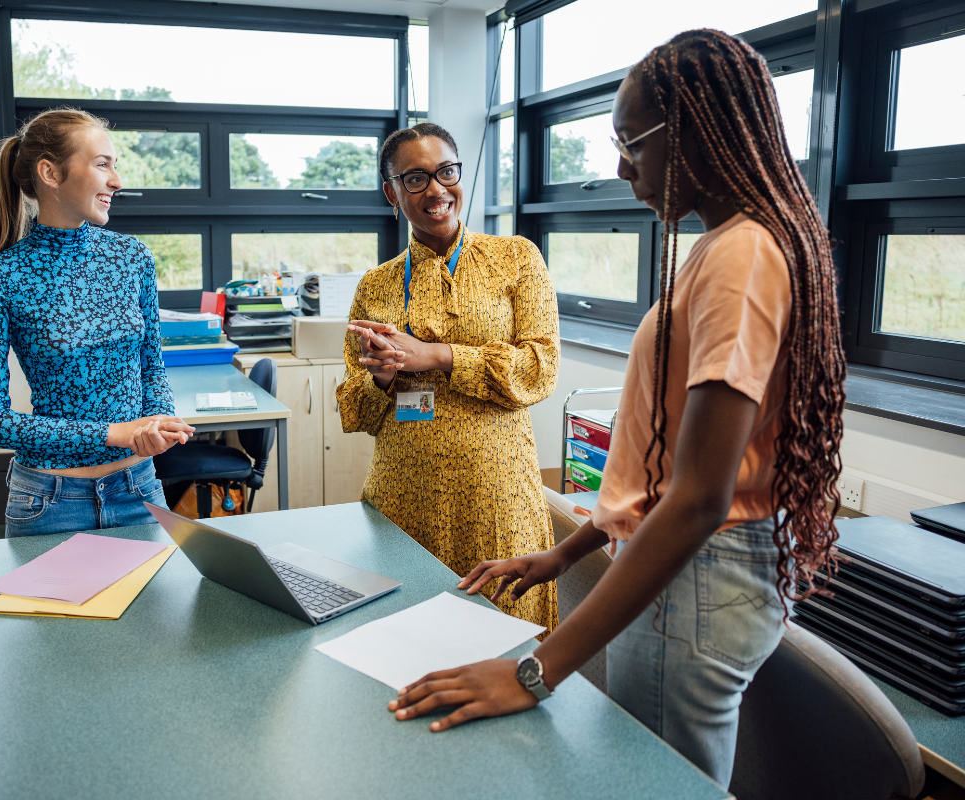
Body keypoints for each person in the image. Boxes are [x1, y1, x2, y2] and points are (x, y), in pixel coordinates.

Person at [386, 30, 846, 790]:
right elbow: (670, 465)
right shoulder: (732, 244)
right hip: (687, 570)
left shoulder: (742, 255)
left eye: (633, 143)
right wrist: (571, 551)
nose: (621, 166)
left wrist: (535, 671)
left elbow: (699, 499)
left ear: (696, 133)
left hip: (695, 577)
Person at [337, 122, 561, 632]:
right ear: (391, 192)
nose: (436, 190)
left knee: (506, 637)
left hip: (497, 498)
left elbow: (540, 367)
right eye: (414, 179)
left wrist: (438, 356)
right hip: (401, 499)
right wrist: (383, 379)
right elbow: (353, 407)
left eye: (446, 172)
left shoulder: (516, 259)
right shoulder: (376, 285)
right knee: (405, 637)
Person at [0, 108, 195, 537]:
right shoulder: (0, 276)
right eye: (102, 164)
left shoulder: (133, 258)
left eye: (115, 165)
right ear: (50, 173)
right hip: (50, 502)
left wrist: (156, 423)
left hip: (139, 491)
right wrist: (117, 433)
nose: (117, 181)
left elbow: (151, 367)